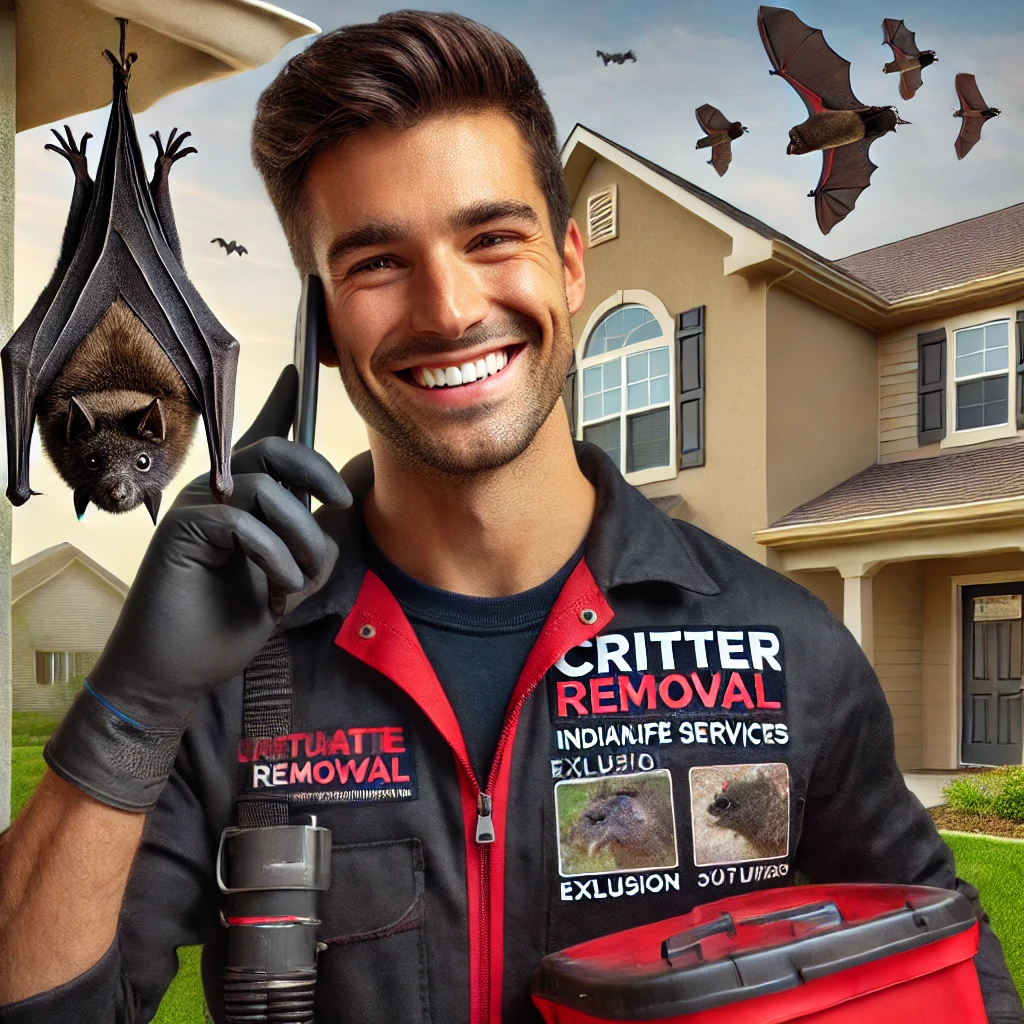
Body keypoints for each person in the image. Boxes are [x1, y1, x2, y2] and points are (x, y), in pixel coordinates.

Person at [0, 11, 1020, 1024]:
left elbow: (954, 981)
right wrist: (130, 699)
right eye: (376, 262)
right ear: (316, 324)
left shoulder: (790, 650)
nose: (448, 309)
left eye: (492, 237)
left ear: (571, 264)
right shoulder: (226, 671)